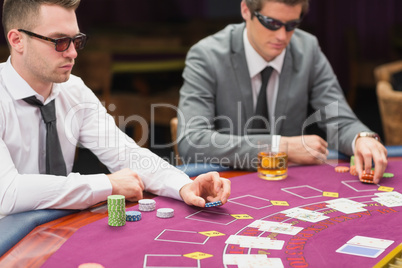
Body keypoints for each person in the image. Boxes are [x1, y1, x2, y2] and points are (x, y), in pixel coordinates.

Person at [0, 0, 231, 218]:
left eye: (76, 40)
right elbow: (7, 193)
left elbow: (126, 154)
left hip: (54, 228)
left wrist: (183, 185)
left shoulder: (73, 90)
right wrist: (107, 184)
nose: (72, 53)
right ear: (17, 40)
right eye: (59, 41)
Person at [177, 0, 387, 183]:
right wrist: (279, 146)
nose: (282, 36)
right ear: (246, 10)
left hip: (288, 182)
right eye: (272, 23)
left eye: (291, 25)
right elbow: (192, 141)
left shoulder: (308, 50)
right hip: (229, 182)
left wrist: (363, 138)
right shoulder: (206, 55)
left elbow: (339, 118)